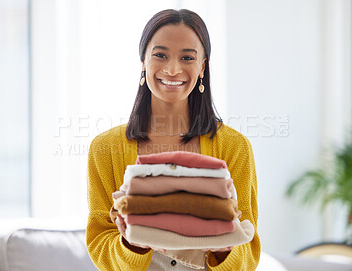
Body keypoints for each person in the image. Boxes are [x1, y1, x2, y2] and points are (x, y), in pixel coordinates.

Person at [86, 9, 261, 270]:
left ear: (202, 66)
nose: (172, 69)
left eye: (187, 57)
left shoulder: (234, 147)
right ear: (143, 61)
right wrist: (133, 243)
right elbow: (99, 244)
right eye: (160, 55)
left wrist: (225, 250)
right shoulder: (105, 149)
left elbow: (248, 255)